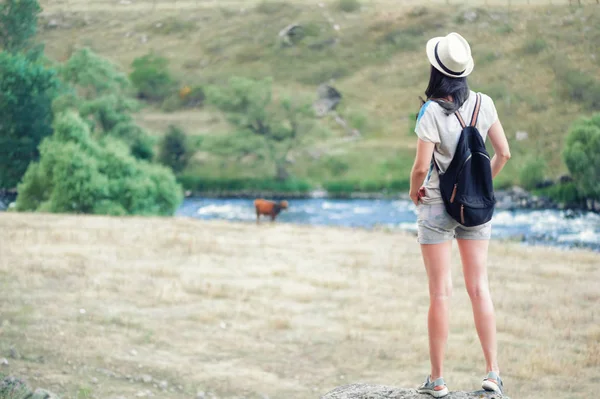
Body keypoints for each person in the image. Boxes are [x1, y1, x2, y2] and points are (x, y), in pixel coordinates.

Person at [409, 32, 511, 398]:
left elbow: (421, 167)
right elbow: (504, 153)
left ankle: (437, 380)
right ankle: (493, 374)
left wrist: (413, 192)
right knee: (479, 288)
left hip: (437, 204)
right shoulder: (485, 103)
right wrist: (481, 188)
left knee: (440, 292)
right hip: (476, 208)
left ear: (435, 70)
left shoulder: (431, 111)